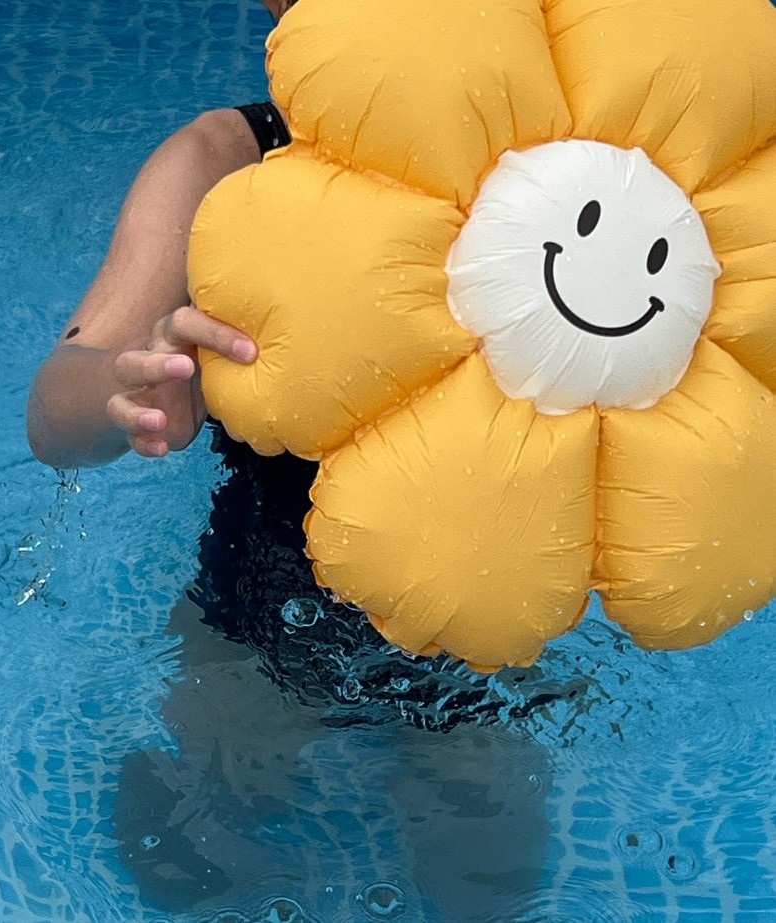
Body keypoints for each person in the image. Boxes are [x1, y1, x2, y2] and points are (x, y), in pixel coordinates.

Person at [27, 1, 553, 919]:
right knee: (191, 847)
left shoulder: (564, 163)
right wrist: (127, 380)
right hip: (266, 604)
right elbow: (51, 412)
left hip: (478, 620)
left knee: (489, 878)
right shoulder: (222, 164)